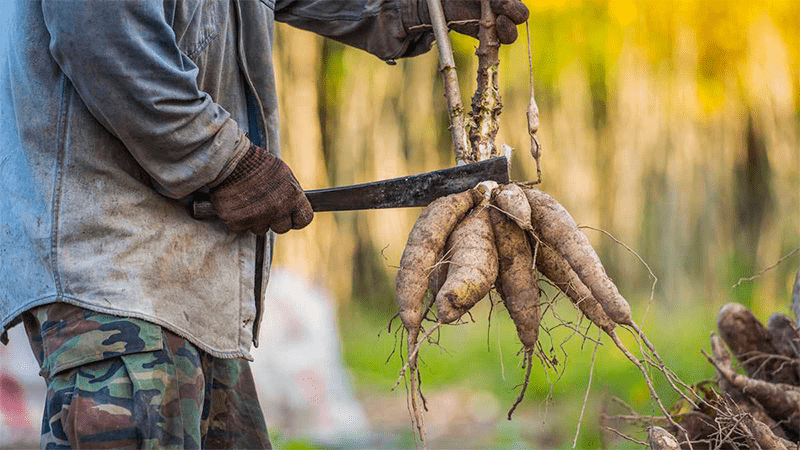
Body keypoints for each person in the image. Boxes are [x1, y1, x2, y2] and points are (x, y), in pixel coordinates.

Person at [0, 0, 528, 447]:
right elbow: (102, 38)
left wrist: (413, 9)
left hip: (194, 281)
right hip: (113, 273)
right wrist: (224, 162)